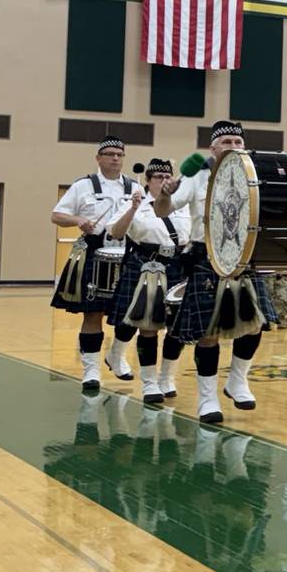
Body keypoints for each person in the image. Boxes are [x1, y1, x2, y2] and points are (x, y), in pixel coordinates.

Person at [154, 121, 276, 424]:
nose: (233, 147)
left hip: (245, 256)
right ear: (213, 148)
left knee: (254, 324)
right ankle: (207, 398)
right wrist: (166, 193)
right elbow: (162, 211)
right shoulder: (196, 173)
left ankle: (237, 380)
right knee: (208, 333)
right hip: (205, 256)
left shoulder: (255, 173)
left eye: (238, 141)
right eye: (226, 142)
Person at [51, 137, 138, 392]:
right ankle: (91, 370)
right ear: (98, 158)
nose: (115, 158)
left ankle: (117, 355)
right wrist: (78, 220)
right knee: (92, 314)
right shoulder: (83, 185)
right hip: (93, 249)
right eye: (109, 154)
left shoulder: (134, 187)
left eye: (119, 154)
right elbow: (56, 215)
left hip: (128, 251)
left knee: (131, 312)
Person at [107, 158, 191, 403]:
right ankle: (149, 382)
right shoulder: (135, 202)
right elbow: (116, 233)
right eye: (158, 178)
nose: (163, 181)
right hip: (146, 265)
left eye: (167, 177)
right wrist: (133, 209)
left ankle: (167, 378)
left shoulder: (182, 204)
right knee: (148, 327)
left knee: (176, 329)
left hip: (178, 265)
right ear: (148, 181)